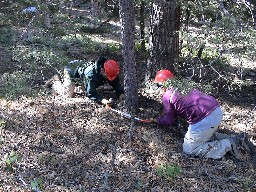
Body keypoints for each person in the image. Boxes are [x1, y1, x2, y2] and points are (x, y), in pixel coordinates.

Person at [151, 69, 254, 160]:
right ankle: (237, 139)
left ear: (162, 85)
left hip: (205, 118)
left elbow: (168, 120)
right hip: (215, 110)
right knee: (205, 135)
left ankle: (230, 144)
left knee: (190, 149)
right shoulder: (183, 86)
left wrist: (157, 120)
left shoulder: (167, 96)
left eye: (158, 85)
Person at [46, 56, 125, 105]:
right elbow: (90, 94)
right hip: (71, 70)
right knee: (67, 95)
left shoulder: (110, 69)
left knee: (84, 87)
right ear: (102, 70)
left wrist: (121, 95)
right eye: (107, 76)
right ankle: (55, 82)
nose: (109, 78)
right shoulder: (90, 75)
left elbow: (116, 83)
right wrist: (103, 100)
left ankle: (77, 86)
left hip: (81, 71)